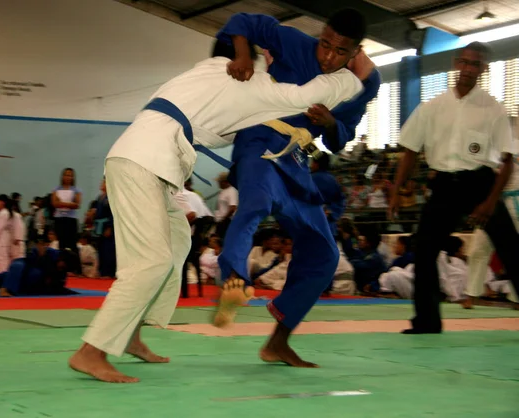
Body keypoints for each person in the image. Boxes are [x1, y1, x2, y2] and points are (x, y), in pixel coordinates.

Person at [68, 35, 375, 383]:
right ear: (245, 60)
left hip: (145, 158)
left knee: (177, 240)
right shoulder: (244, 80)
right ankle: (91, 351)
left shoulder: (201, 72)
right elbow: (304, 96)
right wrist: (358, 76)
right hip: (144, 161)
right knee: (150, 261)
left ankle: (130, 333)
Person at [213, 9, 381, 367]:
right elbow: (244, 21)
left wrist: (331, 121)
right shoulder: (295, 43)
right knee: (256, 202)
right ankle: (233, 282)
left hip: (296, 159)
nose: (329, 56)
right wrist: (243, 54)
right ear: (321, 34)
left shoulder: (360, 81)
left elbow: (340, 140)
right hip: (259, 137)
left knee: (324, 252)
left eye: (341, 52)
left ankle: (278, 341)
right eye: (326, 45)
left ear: (356, 52)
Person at [389, 41, 519, 334]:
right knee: (423, 250)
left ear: (483, 69)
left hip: (481, 183)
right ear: (455, 63)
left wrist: (489, 202)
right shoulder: (432, 107)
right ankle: (427, 321)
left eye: (475, 64)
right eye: (464, 62)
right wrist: (397, 189)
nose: (467, 69)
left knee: (512, 249)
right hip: (445, 186)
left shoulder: (493, 109)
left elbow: (507, 162)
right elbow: (409, 150)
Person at [463, 156, 519, 309]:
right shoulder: (494, 140)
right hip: (493, 202)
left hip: (515, 200)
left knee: (514, 252)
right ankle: (472, 294)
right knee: (478, 249)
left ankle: (516, 298)